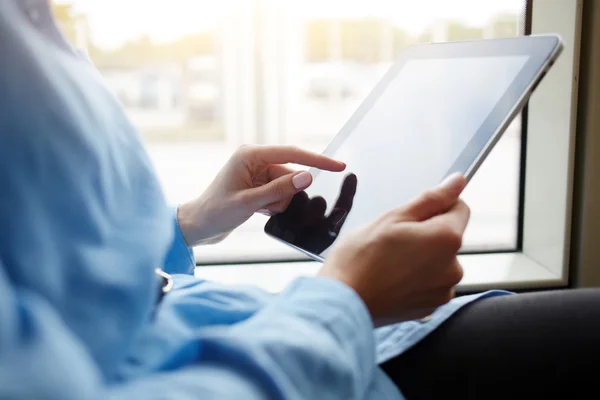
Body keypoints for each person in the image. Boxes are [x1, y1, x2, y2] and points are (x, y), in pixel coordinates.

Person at [1, 1, 598, 399]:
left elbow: (43, 267)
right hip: (298, 363)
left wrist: (187, 224)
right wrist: (347, 299)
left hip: (269, 329)